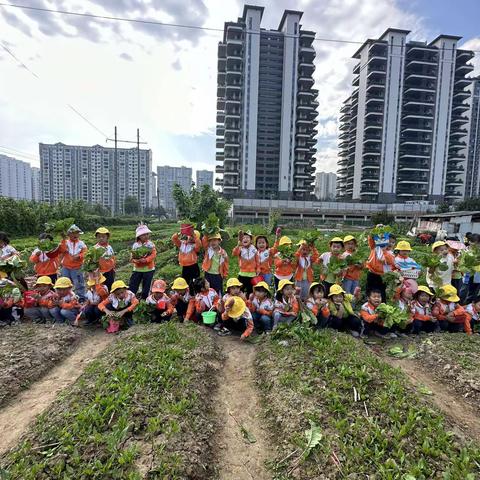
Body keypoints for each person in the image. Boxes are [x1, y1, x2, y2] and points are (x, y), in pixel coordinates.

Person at [58, 224, 87, 302]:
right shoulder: (66, 242)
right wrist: (63, 239)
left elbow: (85, 253)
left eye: (77, 233)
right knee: (64, 283)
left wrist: (79, 256)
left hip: (77, 267)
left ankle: (81, 298)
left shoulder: (81, 243)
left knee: (79, 284)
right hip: (66, 267)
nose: (75, 235)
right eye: (73, 233)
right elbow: (62, 250)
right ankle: (66, 297)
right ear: (69, 234)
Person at [365, 232, 396, 303]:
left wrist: (383, 250)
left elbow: (388, 261)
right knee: (370, 291)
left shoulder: (390, 253)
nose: (390, 244)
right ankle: (369, 306)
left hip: (382, 276)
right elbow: (371, 239)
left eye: (393, 242)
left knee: (381, 292)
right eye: (389, 241)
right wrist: (376, 231)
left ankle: (382, 307)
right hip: (372, 273)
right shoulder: (375, 247)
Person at [129, 224, 157, 300]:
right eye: (143, 235)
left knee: (146, 286)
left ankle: (144, 300)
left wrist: (146, 260)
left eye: (147, 234)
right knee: (133, 285)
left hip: (149, 269)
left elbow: (153, 254)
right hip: (137, 269)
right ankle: (130, 299)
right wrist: (137, 261)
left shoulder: (150, 244)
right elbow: (132, 257)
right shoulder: (135, 245)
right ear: (139, 236)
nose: (146, 236)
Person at [232, 230, 258, 297]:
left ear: (251, 240)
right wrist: (238, 244)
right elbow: (234, 253)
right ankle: (240, 302)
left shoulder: (254, 249)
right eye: (243, 238)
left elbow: (257, 260)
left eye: (247, 237)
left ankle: (249, 303)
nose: (245, 239)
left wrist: (258, 269)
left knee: (251, 291)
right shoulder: (240, 248)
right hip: (242, 274)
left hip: (252, 274)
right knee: (240, 290)